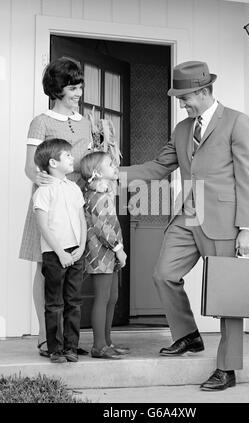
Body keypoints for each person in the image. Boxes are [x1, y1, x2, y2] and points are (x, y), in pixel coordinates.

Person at [122, 61, 249, 391]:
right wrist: (117, 174)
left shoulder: (237, 123)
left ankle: (226, 369)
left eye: (185, 97)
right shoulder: (183, 129)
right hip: (187, 216)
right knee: (163, 274)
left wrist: (247, 228)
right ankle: (187, 335)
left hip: (225, 222)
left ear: (203, 91)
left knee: (228, 297)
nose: (181, 104)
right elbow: (159, 167)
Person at [19, 57, 92, 357]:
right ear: (58, 89)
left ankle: (68, 341)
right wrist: (51, 184)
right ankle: (45, 336)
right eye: (73, 88)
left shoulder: (85, 122)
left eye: (80, 87)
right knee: (46, 267)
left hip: (76, 202)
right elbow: (29, 167)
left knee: (73, 268)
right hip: (49, 204)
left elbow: (86, 163)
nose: (78, 93)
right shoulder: (41, 121)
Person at [32, 138, 87, 363]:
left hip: (76, 251)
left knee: (73, 301)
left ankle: (71, 347)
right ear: (53, 163)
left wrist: (81, 247)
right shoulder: (44, 191)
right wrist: (60, 252)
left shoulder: (74, 188)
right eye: (68, 155)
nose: (73, 158)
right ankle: (55, 349)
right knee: (55, 302)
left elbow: (82, 220)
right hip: (55, 253)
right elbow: (43, 225)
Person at [80, 151, 129, 359]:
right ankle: (99, 346)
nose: (115, 166)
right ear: (97, 172)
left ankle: (107, 342)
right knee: (103, 298)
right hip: (100, 254)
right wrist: (119, 249)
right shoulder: (99, 196)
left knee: (111, 297)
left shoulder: (103, 192)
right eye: (110, 164)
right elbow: (103, 227)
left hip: (107, 254)